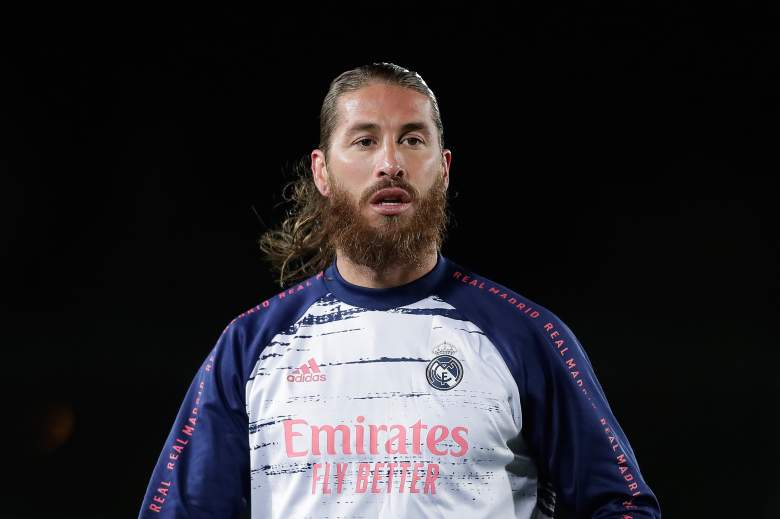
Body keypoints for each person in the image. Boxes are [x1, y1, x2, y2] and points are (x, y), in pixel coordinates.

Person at [138, 62, 661, 518]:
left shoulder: (526, 337)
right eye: (365, 140)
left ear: (444, 168)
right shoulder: (250, 347)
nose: (390, 162)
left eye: (412, 139)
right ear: (322, 171)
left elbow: (622, 504)